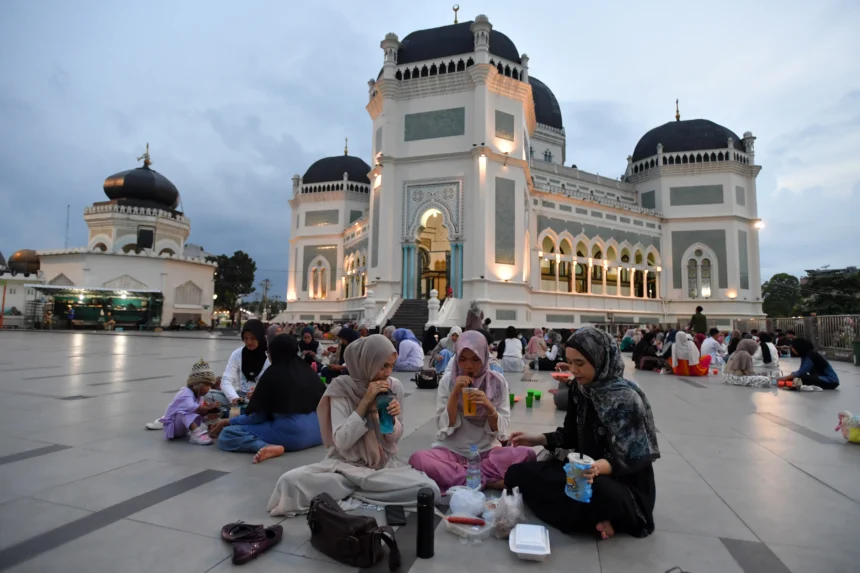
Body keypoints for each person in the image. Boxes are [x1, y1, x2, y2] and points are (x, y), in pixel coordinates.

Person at [505, 327, 659, 539]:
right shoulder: (580, 389)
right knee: (517, 473)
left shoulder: (625, 399)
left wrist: (596, 468)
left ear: (600, 359)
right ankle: (598, 521)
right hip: (582, 473)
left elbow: (632, 457)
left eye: (580, 363)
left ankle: (611, 517)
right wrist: (536, 439)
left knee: (600, 493)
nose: (574, 370)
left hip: (620, 483)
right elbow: (569, 435)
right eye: (570, 363)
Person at [266, 335, 440, 516]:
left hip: (381, 468)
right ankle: (361, 492)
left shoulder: (394, 388)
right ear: (366, 363)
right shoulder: (342, 388)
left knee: (428, 490)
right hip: (344, 468)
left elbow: (393, 438)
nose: (388, 373)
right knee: (289, 482)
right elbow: (341, 441)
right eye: (382, 366)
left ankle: (352, 494)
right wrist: (364, 404)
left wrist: (392, 419)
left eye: (390, 366)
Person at [409, 331, 536, 493]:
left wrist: (489, 407)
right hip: (452, 451)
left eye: (475, 359)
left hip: (487, 452)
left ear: (484, 357)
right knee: (419, 459)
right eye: (462, 359)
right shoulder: (448, 381)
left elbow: (502, 430)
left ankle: (465, 477)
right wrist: (455, 394)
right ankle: (488, 481)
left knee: (527, 454)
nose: (468, 366)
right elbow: (443, 426)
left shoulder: (497, 382)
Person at [210, 334, 326, 462]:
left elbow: (257, 416)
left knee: (228, 434)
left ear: (274, 353)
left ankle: (267, 447)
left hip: (294, 435)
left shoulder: (273, 374)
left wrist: (228, 422)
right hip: (320, 433)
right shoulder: (307, 370)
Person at [159, 359, 220, 445]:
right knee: (185, 412)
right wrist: (208, 407)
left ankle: (211, 426)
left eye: (210, 386)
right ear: (197, 385)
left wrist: (209, 415)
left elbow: (201, 410)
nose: (209, 388)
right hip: (173, 428)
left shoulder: (198, 396)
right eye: (207, 385)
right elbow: (190, 407)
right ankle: (196, 433)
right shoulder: (185, 393)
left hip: (183, 429)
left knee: (203, 409)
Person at [210, 319, 271, 405]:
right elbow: (226, 380)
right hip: (241, 396)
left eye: (253, 338)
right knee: (209, 395)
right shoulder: (238, 354)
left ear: (260, 337)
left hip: (262, 398)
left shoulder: (270, 356)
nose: (249, 342)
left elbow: (276, 385)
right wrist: (234, 398)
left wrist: (259, 393)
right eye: (245, 338)